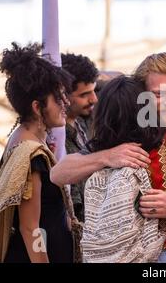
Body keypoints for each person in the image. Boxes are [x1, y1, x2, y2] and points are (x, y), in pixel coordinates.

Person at [51, 52, 166, 263]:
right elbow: (59, 174)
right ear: (140, 98)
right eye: (157, 94)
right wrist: (107, 156)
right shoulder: (127, 135)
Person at [0, 43, 80, 263]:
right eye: (58, 98)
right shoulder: (31, 157)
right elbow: (30, 228)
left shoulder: (24, 141)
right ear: (37, 107)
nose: (66, 103)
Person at [61, 52, 99, 223]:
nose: (94, 99)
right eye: (84, 95)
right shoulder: (56, 139)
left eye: (94, 90)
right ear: (62, 96)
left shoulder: (83, 122)